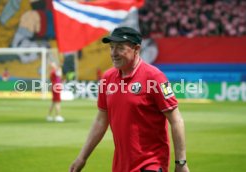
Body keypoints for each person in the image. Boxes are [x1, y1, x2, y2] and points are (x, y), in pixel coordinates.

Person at [69, 27, 189, 172]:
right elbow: (101, 120)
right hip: (121, 165)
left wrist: (181, 163)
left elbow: (176, 120)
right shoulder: (107, 78)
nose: (113, 53)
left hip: (151, 163)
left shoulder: (155, 77)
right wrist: (82, 157)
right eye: (111, 47)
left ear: (136, 49)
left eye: (120, 48)